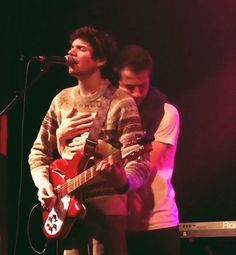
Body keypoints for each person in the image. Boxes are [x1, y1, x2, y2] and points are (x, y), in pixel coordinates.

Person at [28, 27, 151, 255]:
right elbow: (38, 152)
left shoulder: (120, 101)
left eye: (81, 48)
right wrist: (43, 184)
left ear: (101, 60)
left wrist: (123, 180)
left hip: (107, 210)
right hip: (66, 208)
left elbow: (140, 161)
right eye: (71, 46)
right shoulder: (61, 100)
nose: (71, 52)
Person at [114, 44, 181, 255]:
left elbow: (144, 167)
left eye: (142, 86)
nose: (137, 93)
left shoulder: (166, 113)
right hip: (118, 222)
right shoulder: (109, 115)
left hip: (157, 223)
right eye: (129, 86)